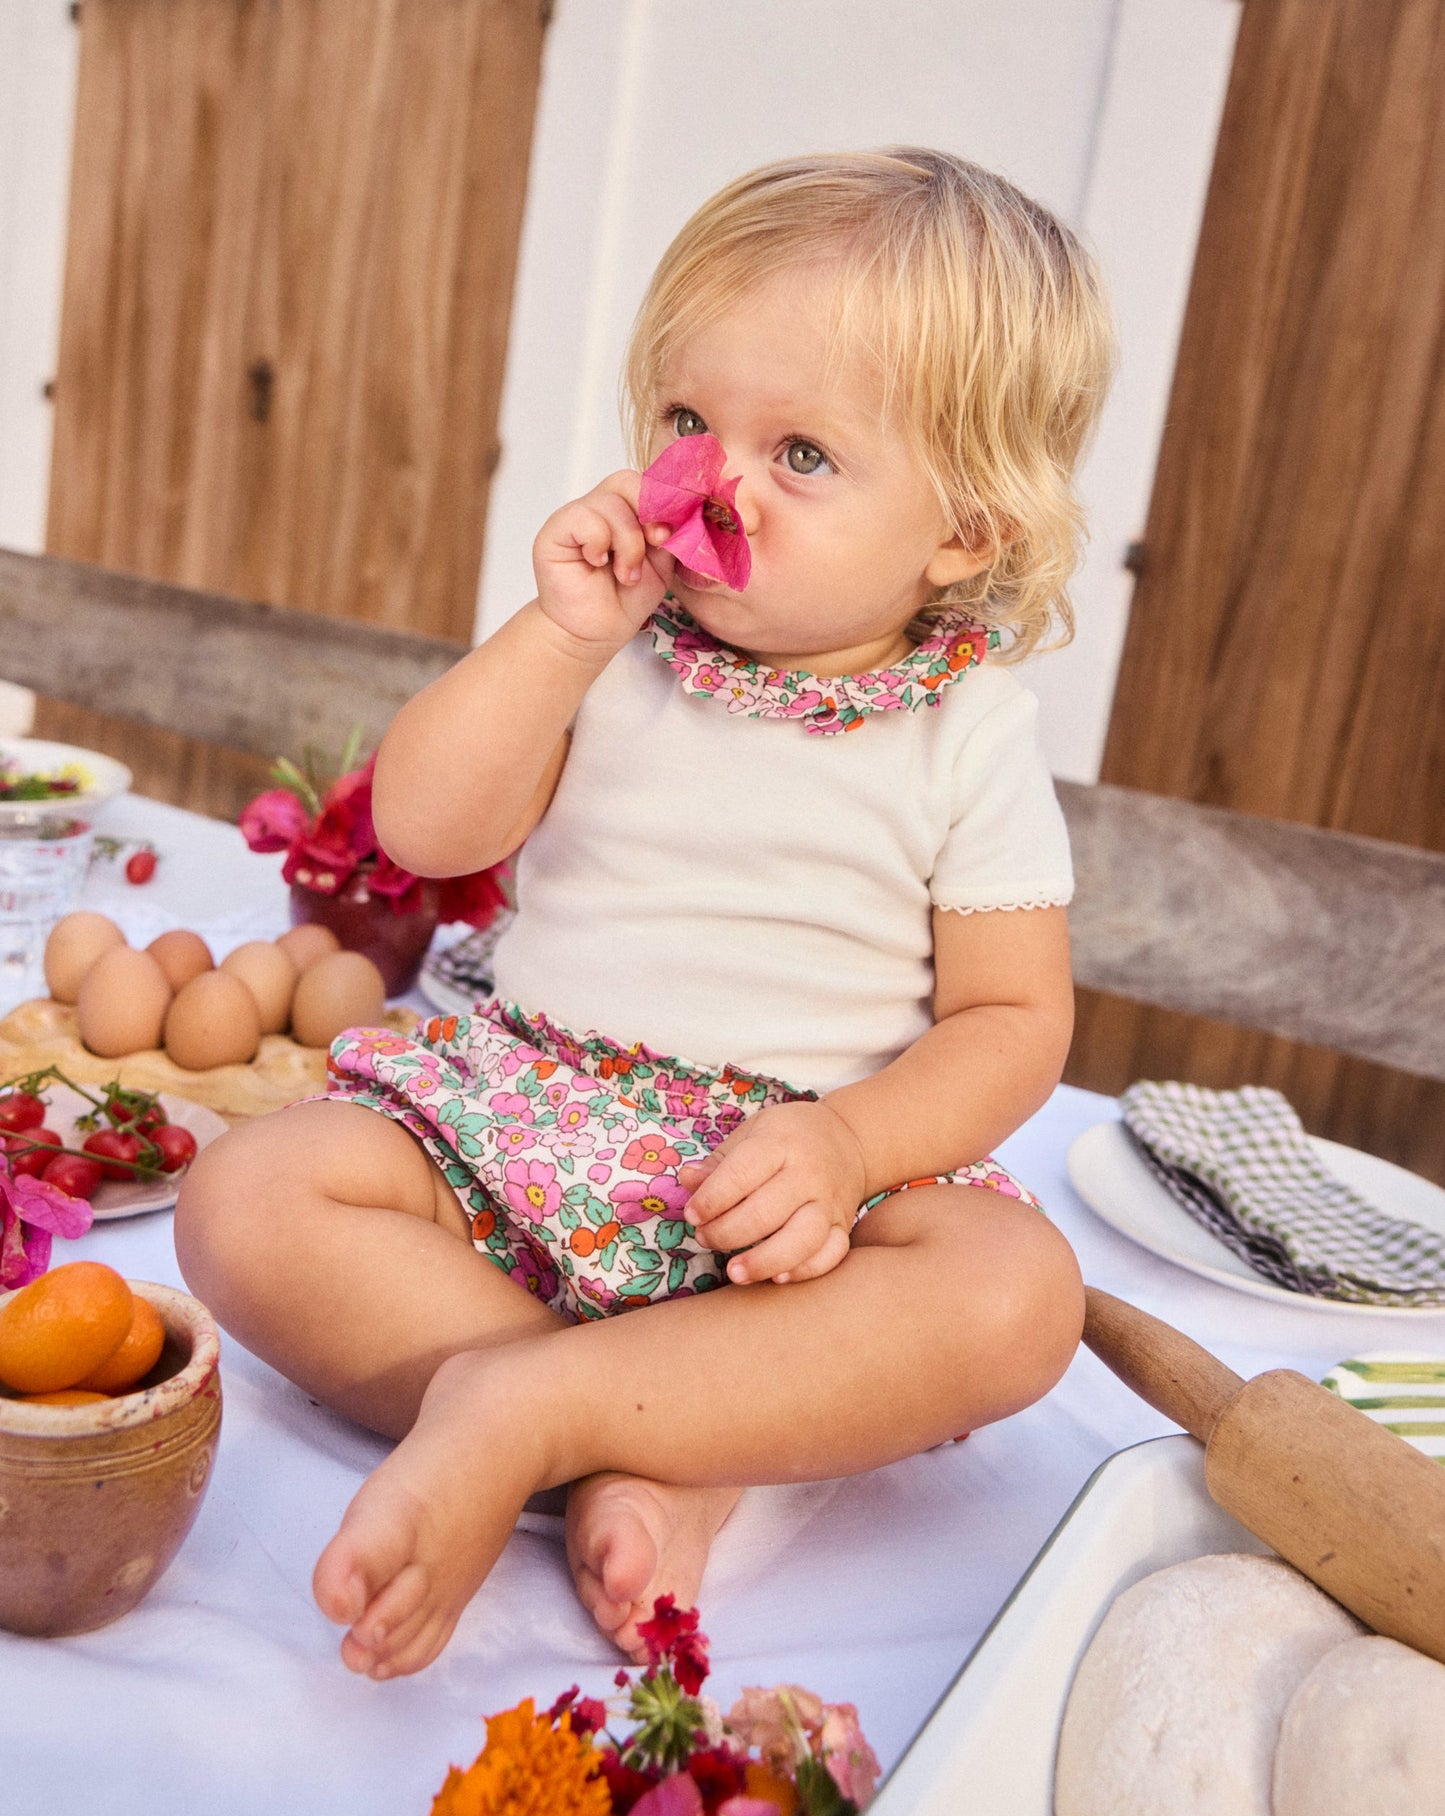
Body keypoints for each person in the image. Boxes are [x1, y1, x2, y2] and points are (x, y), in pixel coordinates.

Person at [176, 147, 1115, 1682]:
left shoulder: (970, 736)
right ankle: (656, 1433)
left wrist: (854, 1147)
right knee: (247, 1200)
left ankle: (522, 1408)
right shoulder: (611, 644)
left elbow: (1016, 1022)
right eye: (688, 421)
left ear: (962, 534)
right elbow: (421, 828)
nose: (714, 483)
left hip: (787, 1197)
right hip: (518, 1125)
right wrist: (553, 640)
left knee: (1016, 1301)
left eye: (801, 454)